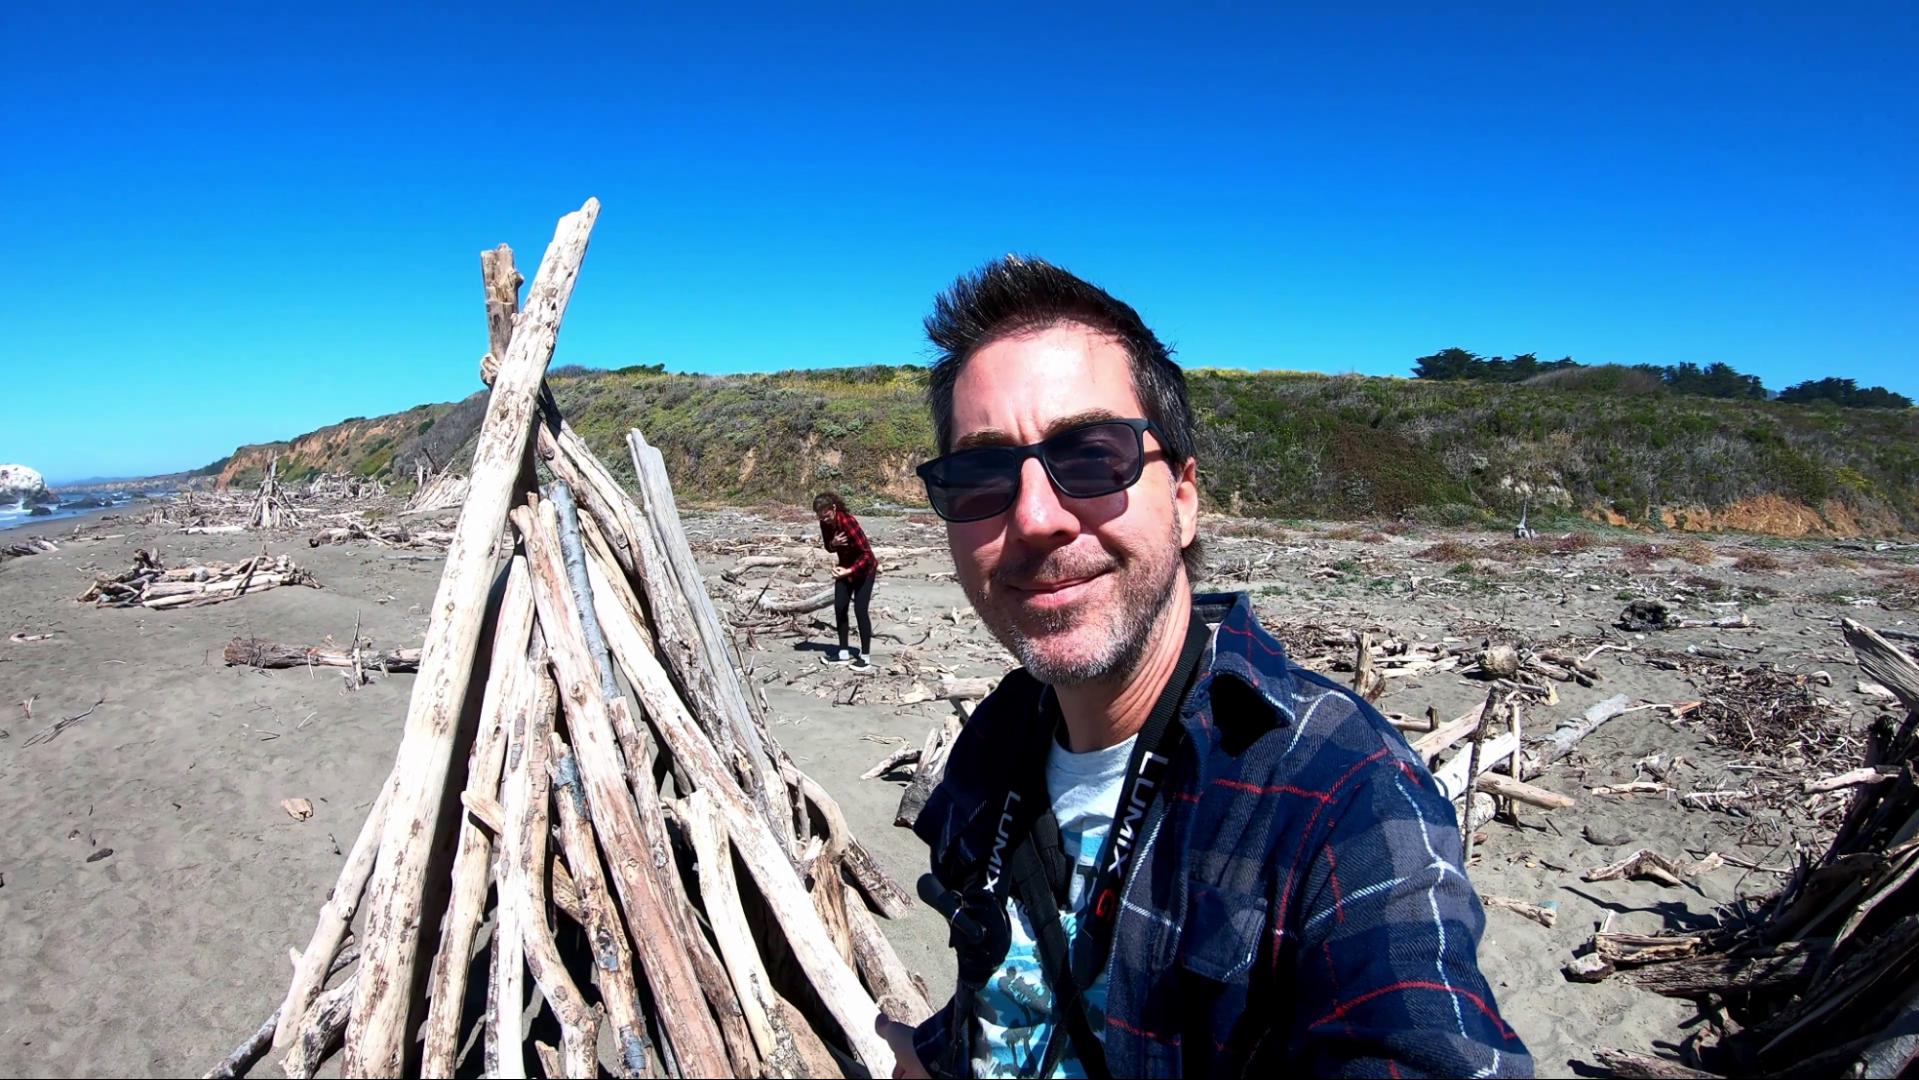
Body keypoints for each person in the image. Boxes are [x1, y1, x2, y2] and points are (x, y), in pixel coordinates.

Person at [875, 257, 1530, 1078]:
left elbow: (1420, 1044)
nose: (1036, 518)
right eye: (980, 475)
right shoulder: (994, 742)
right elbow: (1005, 984)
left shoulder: (1338, 790)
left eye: (1091, 457)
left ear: (1183, 499)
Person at [815, 491, 878, 672]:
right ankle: (843, 653)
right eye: (820, 517)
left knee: (860, 610)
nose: (824, 519)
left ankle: (865, 657)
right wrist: (833, 543)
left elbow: (867, 553)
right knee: (840, 607)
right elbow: (828, 547)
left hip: (865, 569)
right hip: (845, 568)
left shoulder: (848, 522)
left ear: (833, 509)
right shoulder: (824, 523)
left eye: (826, 516)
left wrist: (849, 570)